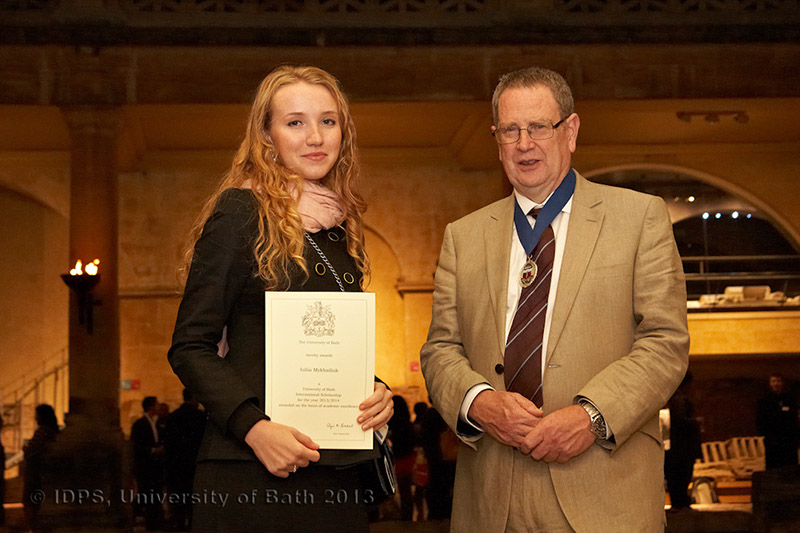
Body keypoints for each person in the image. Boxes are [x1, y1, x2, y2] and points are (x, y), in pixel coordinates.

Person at [420, 66, 689, 532]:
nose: (524, 144)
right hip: (492, 501)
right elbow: (440, 350)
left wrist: (592, 416)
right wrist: (480, 403)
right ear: (497, 140)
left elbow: (665, 342)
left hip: (604, 493)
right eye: (510, 130)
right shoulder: (462, 237)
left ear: (571, 130)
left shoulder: (638, 218)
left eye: (539, 127)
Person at [168, 65, 393, 533]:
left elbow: (329, 344)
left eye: (328, 121)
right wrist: (254, 427)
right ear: (267, 137)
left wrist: (375, 391)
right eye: (295, 122)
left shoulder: (338, 229)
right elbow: (190, 345)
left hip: (334, 469)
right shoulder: (240, 212)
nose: (315, 137)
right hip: (251, 468)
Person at [162, 388, 206, 531]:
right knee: (193, 499)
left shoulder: (173, 416)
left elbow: (168, 442)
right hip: (193, 464)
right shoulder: (199, 416)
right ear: (194, 397)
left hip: (176, 465)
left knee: (178, 498)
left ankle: (179, 524)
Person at [664, 372, 702, 510]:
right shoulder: (679, 400)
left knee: (677, 476)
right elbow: (681, 423)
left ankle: (679, 502)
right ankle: (680, 503)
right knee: (680, 476)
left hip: (677, 446)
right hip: (681, 447)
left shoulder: (673, 399)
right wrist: (695, 424)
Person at [23, 404, 60, 531]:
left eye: (37, 415)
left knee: (32, 505)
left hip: (36, 475)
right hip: (44, 476)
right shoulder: (53, 432)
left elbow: (31, 451)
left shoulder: (43, 433)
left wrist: (25, 448)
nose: (35, 418)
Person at [130, 396, 165, 531]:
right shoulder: (140, 424)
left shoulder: (155, 423)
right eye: (156, 404)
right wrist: (153, 450)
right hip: (145, 466)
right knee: (145, 492)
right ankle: (147, 519)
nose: (158, 407)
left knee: (154, 493)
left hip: (154, 466)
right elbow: (137, 445)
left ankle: (154, 521)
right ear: (151, 406)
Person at [757, 373, 799, 469]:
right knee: (774, 462)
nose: (776, 383)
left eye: (778, 381)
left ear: (783, 383)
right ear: (770, 383)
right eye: (773, 381)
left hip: (789, 437)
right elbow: (761, 419)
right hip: (772, 437)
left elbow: (794, 418)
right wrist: (764, 433)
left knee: (789, 463)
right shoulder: (764, 400)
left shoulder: (790, 399)